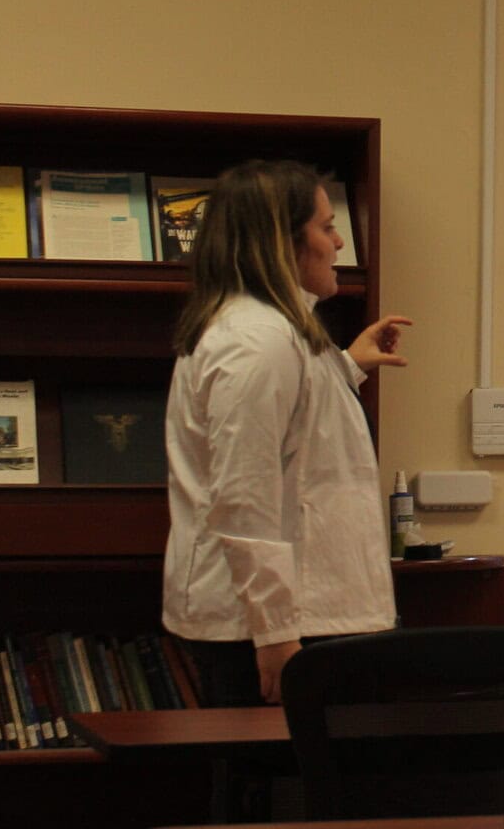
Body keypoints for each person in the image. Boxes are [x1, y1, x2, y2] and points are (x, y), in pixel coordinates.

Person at [162, 159, 413, 706]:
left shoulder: (274, 331)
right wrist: (275, 635)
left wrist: (346, 366)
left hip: (295, 620)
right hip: (274, 631)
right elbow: (243, 497)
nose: (340, 241)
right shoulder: (256, 342)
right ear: (283, 241)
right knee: (284, 789)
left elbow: (294, 434)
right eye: (325, 227)